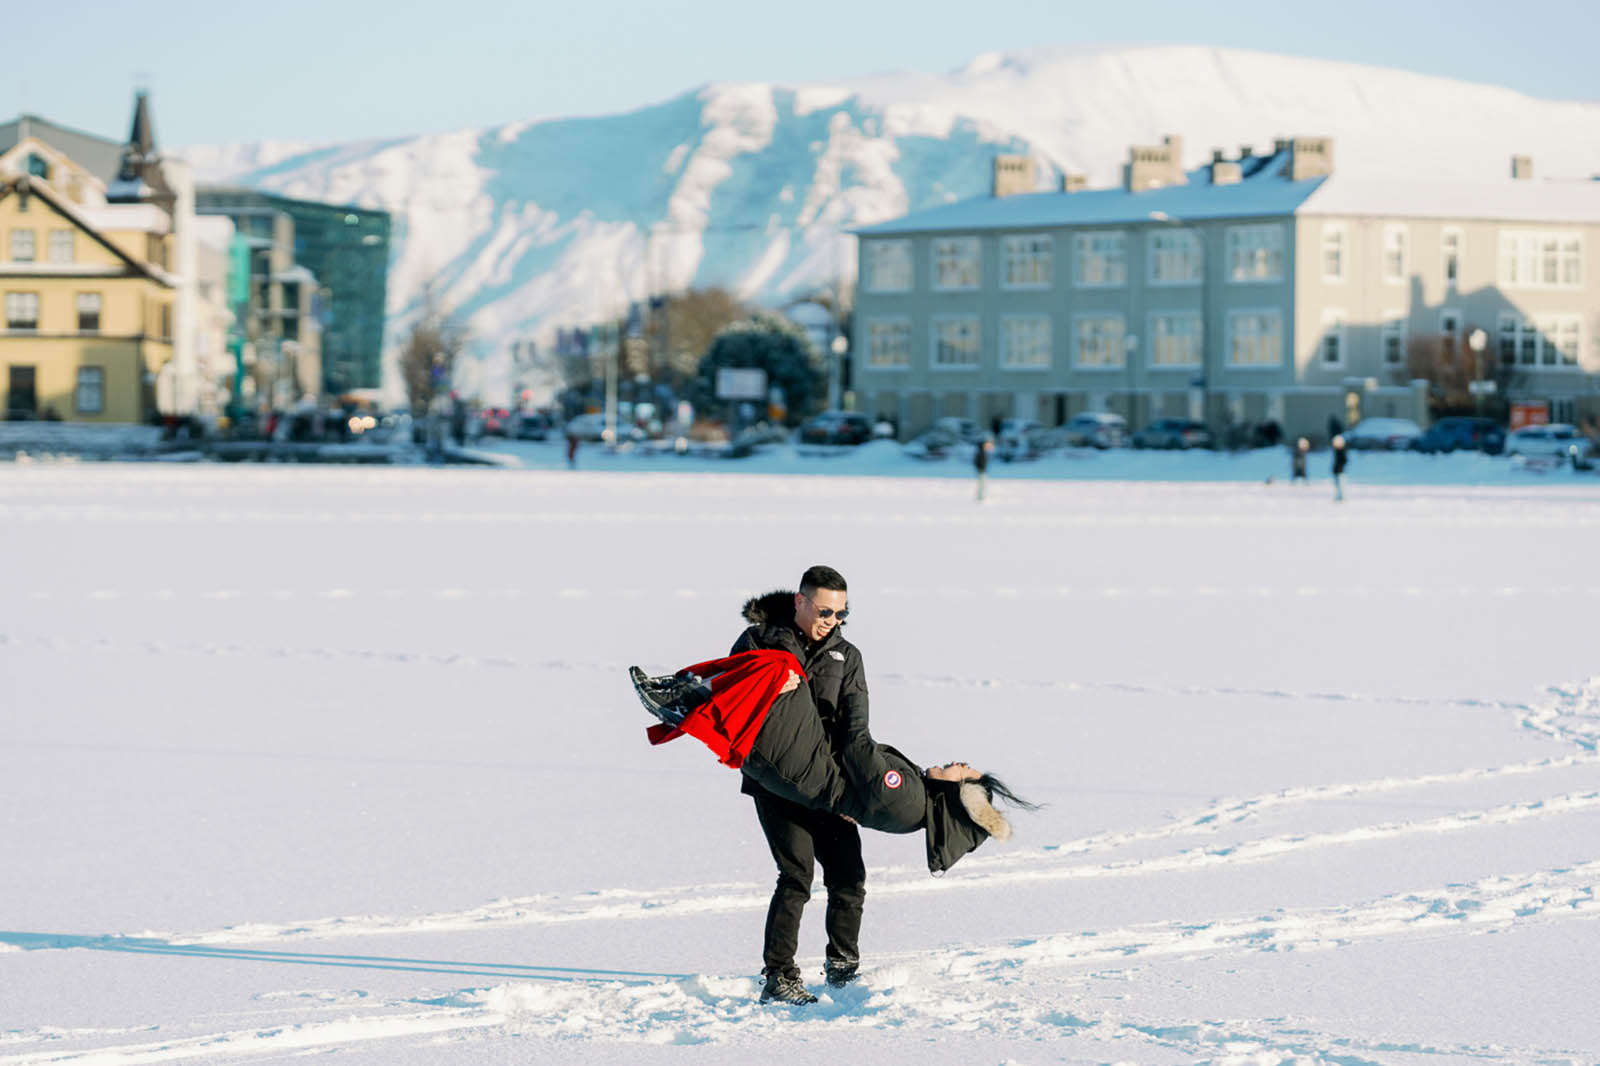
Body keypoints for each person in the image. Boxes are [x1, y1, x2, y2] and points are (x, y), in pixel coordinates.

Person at [630, 648, 1034, 1002]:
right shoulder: (916, 792)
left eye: (963, 770)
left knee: (798, 877)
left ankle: (784, 977)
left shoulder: (908, 795)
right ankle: (838, 971)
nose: (957, 763)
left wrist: (855, 690)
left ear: (956, 796)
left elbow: (859, 747)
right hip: (815, 786)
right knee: (846, 878)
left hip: (799, 782)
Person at [720, 567, 870, 1005]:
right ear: (800, 602)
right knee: (797, 876)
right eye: (825, 610)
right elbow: (730, 698)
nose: (833, 620)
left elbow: (855, 728)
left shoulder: (848, 656)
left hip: (829, 783)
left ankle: (843, 968)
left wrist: (855, 790)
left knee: (848, 877)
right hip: (778, 783)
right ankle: (779, 976)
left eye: (843, 613)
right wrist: (769, 688)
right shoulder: (758, 642)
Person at [974, 438, 992, 502]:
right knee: (982, 484)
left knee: (983, 484)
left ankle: (981, 497)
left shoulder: (983, 452)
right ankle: (980, 497)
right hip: (981, 471)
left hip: (983, 471)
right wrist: (980, 468)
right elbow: (976, 462)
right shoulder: (981, 453)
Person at [1331, 433, 1348, 501]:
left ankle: (1342, 497)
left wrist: (1340, 466)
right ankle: (1338, 497)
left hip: (1341, 471)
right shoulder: (1336, 451)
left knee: (1341, 486)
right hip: (1336, 471)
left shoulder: (1342, 451)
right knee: (1337, 485)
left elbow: (1344, 460)